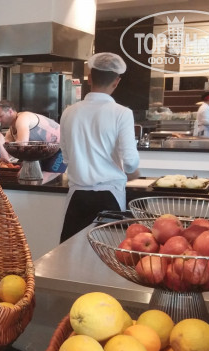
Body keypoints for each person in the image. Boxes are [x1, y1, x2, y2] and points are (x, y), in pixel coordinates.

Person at [59, 52, 140, 243]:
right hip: (109, 196)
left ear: (89, 78)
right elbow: (130, 162)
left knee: (71, 254)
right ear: (116, 82)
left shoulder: (69, 112)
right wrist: (133, 171)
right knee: (106, 254)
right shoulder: (122, 113)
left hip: (77, 197)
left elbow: (66, 157)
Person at [0, 100, 66, 172]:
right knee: (25, 173)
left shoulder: (22, 118)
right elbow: (6, 150)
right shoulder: (11, 131)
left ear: (10, 111)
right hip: (45, 153)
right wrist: (2, 160)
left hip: (62, 146)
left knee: (48, 175)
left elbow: (22, 144)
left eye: (1, 116)